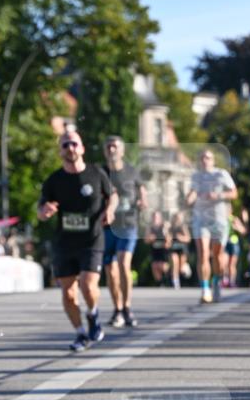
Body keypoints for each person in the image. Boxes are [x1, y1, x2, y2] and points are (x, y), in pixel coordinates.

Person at [38, 130, 117, 352]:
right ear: (60, 151)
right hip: (64, 242)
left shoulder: (96, 173)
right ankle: (81, 333)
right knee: (68, 293)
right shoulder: (54, 180)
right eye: (65, 145)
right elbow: (41, 208)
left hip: (92, 239)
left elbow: (113, 195)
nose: (70, 148)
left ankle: (93, 314)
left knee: (87, 284)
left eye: (74, 144)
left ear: (81, 148)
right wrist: (44, 212)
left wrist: (110, 210)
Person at [102, 135, 146, 326]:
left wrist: (143, 201)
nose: (112, 150)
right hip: (106, 227)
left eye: (115, 147)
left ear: (122, 150)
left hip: (128, 224)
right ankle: (117, 309)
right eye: (109, 147)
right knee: (110, 271)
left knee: (123, 263)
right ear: (105, 150)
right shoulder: (99, 172)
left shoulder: (131, 171)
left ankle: (127, 307)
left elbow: (142, 190)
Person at [186, 148, 237, 303]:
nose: (204, 160)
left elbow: (234, 193)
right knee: (202, 254)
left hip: (219, 220)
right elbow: (192, 193)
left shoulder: (221, 174)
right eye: (202, 157)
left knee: (218, 256)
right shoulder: (196, 176)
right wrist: (189, 199)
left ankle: (216, 282)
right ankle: (205, 289)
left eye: (207, 157)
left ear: (213, 160)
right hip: (201, 219)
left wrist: (219, 195)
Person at [145, 211, 170, 286]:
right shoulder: (150, 228)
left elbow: (169, 239)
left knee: (162, 266)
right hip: (155, 249)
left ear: (160, 218)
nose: (155, 219)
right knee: (154, 266)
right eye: (154, 217)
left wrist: (166, 240)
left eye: (157, 217)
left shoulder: (164, 226)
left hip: (163, 250)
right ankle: (160, 283)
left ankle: (168, 279)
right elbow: (146, 240)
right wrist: (150, 238)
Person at [168, 211, 191, 289]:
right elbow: (168, 239)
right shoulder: (170, 227)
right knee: (175, 263)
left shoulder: (183, 227)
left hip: (182, 249)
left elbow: (188, 238)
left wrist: (181, 238)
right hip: (173, 248)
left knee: (181, 268)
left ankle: (185, 268)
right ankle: (175, 281)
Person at [224, 215, 245, 288]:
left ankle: (232, 281)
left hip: (234, 243)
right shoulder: (222, 218)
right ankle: (225, 279)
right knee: (224, 263)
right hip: (224, 242)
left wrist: (236, 227)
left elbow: (243, 231)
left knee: (232, 264)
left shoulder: (235, 219)